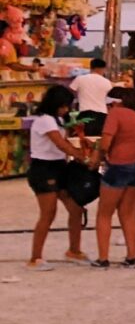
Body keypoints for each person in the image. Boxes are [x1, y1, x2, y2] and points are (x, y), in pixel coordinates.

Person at [24, 83, 90, 268]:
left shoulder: (59, 120)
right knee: (48, 213)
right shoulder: (45, 120)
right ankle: (35, 257)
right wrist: (81, 157)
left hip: (59, 167)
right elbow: (60, 143)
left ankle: (74, 250)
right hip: (43, 169)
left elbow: (65, 143)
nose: (66, 109)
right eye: (64, 106)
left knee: (76, 208)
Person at [91, 87, 135, 267]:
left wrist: (99, 157)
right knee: (128, 211)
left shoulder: (116, 113)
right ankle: (131, 256)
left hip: (120, 164)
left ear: (114, 103)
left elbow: (105, 143)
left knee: (105, 213)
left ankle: (103, 258)